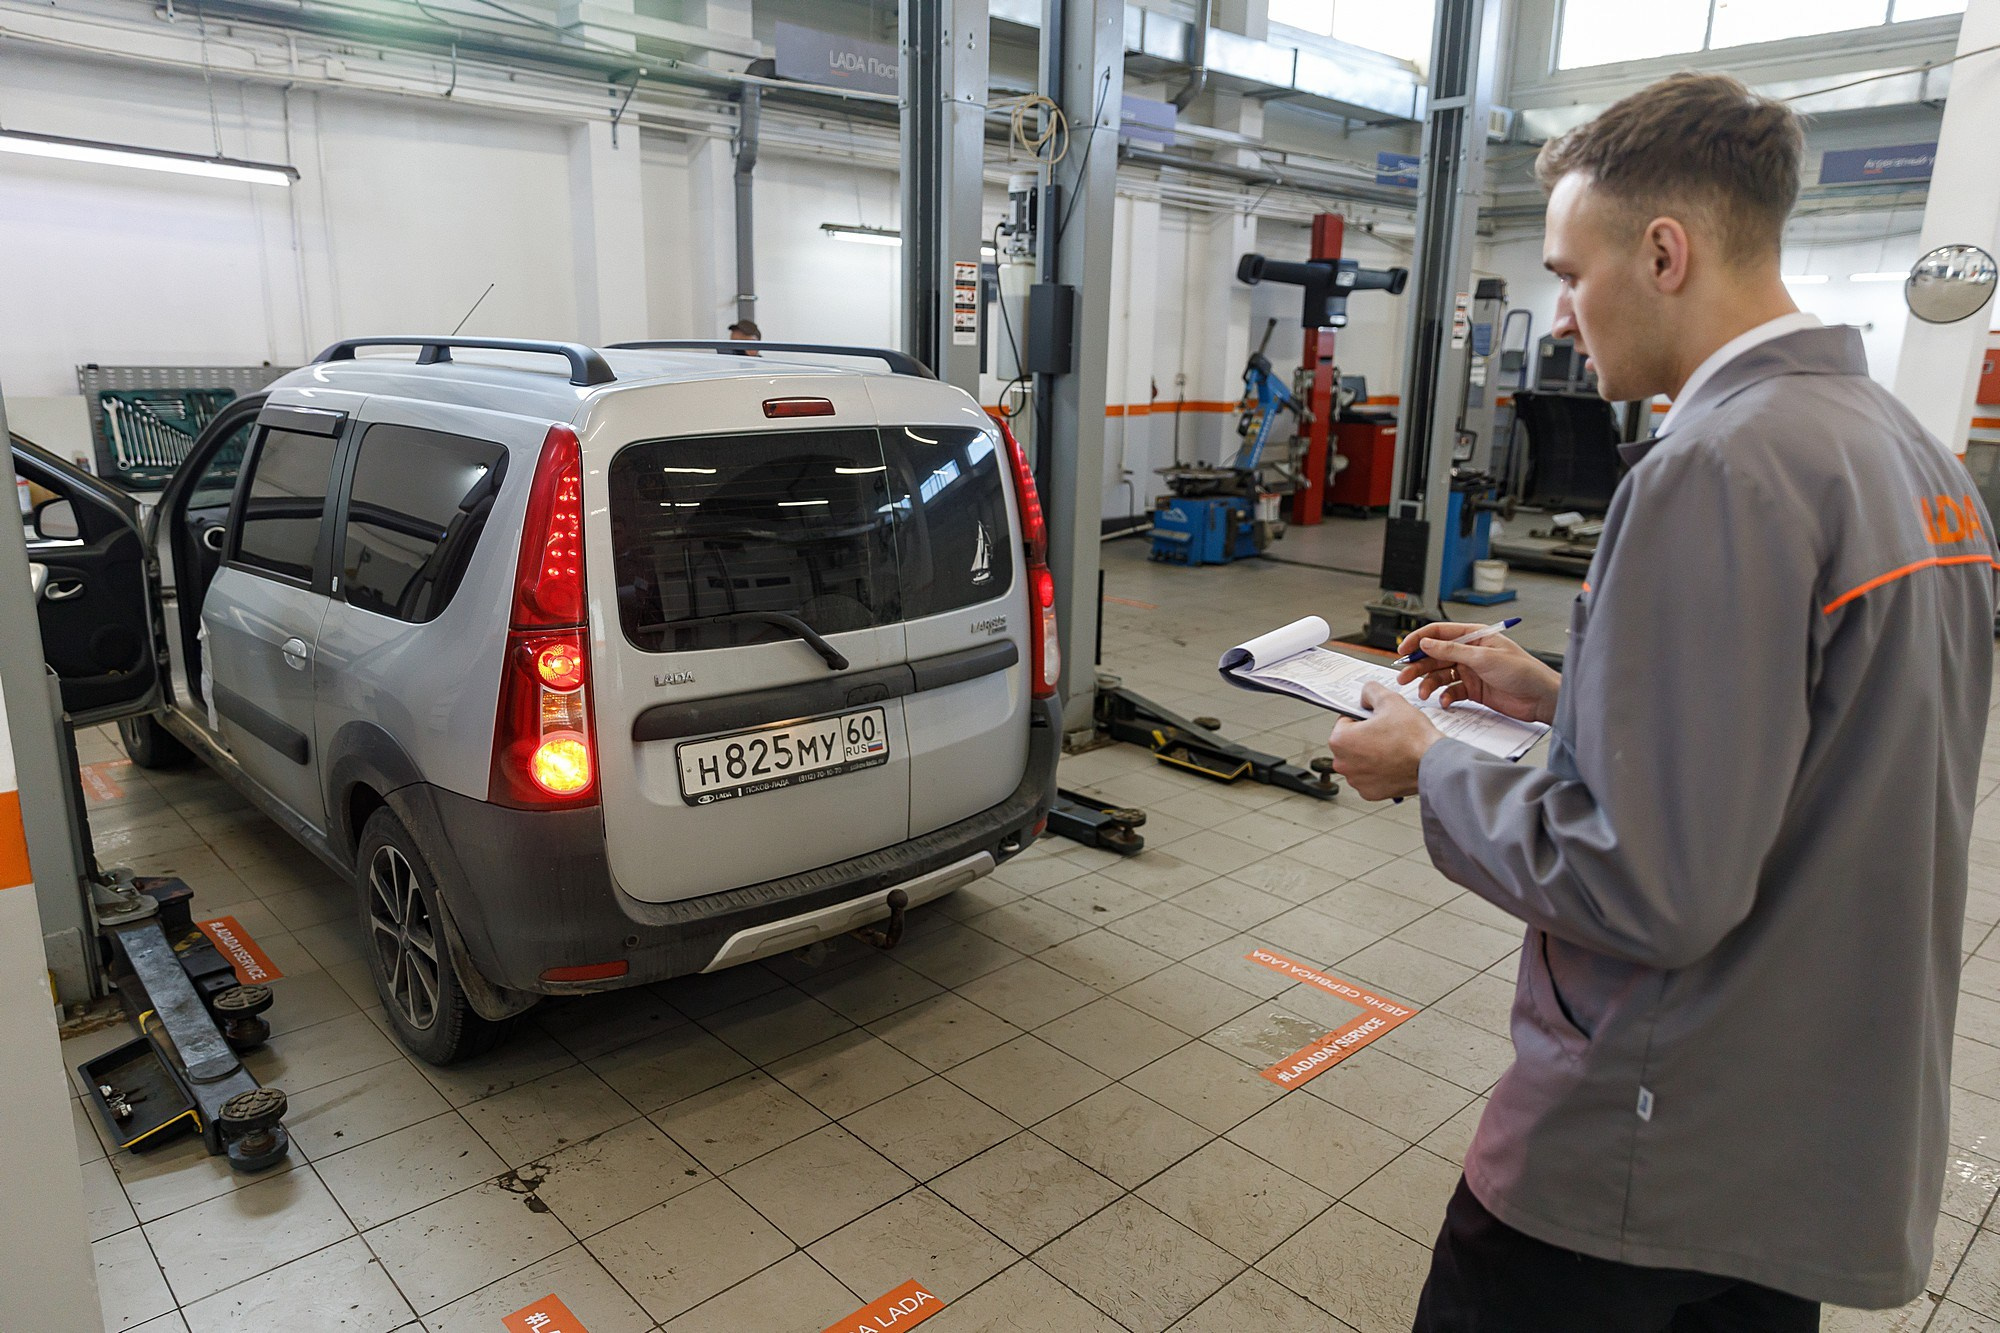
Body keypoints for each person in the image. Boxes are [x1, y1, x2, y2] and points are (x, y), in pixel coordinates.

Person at [1325, 72, 1997, 1330]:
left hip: (1653, 1137)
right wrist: (1553, 693)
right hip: (1806, 1127)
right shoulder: (1907, 454)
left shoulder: (1715, 463)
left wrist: (1427, 760)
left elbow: (1648, 879)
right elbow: (1808, 742)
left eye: (1571, 275)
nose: (1564, 317)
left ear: (1665, 252)